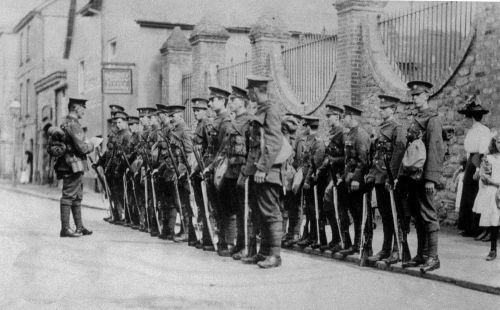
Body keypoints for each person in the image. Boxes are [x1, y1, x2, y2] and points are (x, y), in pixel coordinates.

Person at [240, 75, 286, 268]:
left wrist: (262, 169)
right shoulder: (261, 109)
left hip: (269, 171)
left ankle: (275, 256)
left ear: (256, 90)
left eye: (249, 90)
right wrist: (248, 172)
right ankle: (264, 252)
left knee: (271, 212)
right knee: (259, 213)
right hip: (258, 171)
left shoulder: (271, 110)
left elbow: (274, 142)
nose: (248, 93)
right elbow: (254, 145)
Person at [401, 81, 444, 273]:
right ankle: (421, 254)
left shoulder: (432, 119)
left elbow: (435, 150)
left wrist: (430, 179)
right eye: (413, 96)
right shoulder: (416, 118)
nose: (414, 98)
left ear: (427, 95)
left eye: (418, 95)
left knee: (428, 215)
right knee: (417, 215)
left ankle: (433, 257)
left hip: (423, 176)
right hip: (412, 176)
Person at [366, 94, 406, 264]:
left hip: (391, 178)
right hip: (379, 178)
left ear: (394, 109)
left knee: (395, 214)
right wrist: (372, 174)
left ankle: (398, 250)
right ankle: (385, 249)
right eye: (381, 108)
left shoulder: (398, 128)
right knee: (385, 215)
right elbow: (376, 154)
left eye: (385, 108)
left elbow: (400, 152)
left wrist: (394, 177)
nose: (382, 111)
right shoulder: (381, 128)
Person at [54, 97, 100, 237]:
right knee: (69, 195)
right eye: (83, 108)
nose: (84, 111)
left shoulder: (66, 123)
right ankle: (65, 228)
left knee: (77, 196)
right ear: (77, 108)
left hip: (71, 164)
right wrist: (93, 144)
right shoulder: (73, 124)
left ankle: (79, 227)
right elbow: (81, 148)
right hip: (73, 165)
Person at [337, 105, 371, 260]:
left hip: (357, 182)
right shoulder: (350, 134)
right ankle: (354, 244)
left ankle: (359, 245)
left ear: (352, 117)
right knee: (352, 212)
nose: (342, 120)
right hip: (348, 180)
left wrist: (356, 178)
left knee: (359, 214)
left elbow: (364, 161)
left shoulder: (361, 135)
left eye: (344, 117)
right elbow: (348, 160)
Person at [457, 95, 491, 239]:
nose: (465, 120)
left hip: (478, 161)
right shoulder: (471, 131)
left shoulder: (483, 130)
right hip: (471, 161)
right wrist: (464, 166)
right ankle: (467, 227)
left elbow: (482, 151)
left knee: (475, 194)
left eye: (466, 117)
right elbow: (468, 151)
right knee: (467, 193)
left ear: (471, 117)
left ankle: (476, 228)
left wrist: (478, 169)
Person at [318, 104, 346, 254]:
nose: (328, 119)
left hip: (339, 175)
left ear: (338, 117)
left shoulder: (342, 132)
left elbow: (347, 157)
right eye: (327, 116)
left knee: (337, 207)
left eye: (330, 116)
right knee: (329, 206)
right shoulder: (331, 132)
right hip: (329, 174)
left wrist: (333, 161)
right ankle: (336, 238)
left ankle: (341, 240)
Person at [300, 116, 327, 249]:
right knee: (309, 210)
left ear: (309, 127)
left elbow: (314, 164)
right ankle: (309, 235)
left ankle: (317, 237)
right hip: (307, 181)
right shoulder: (310, 141)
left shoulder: (318, 142)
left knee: (315, 209)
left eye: (305, 127)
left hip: (313, 182)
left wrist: (307, 180)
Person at [472, 131, 500, 261]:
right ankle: (493, 249)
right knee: (494, 219)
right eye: (499, 142)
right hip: (494, 191)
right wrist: (485, 177)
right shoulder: (489, 158)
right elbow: (485, 177)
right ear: (494, 143)